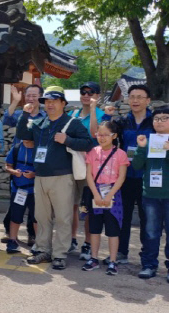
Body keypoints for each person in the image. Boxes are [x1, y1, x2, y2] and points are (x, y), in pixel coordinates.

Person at [18, 86, 94, 270]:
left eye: (54, 101)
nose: (49, 104)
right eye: (46, 102)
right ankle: (43, 249)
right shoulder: (40, 123)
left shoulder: (72, 123)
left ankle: (60, 254)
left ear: (63, 103)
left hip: (62, 176)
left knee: (63, 217)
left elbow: (88, 143)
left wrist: (67, 140)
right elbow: (22, 135)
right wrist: (24, 116)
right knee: (41, 217)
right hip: (41, 176)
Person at [110, 84, 153, 265]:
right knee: (124, 215)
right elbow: (108, 137)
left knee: (147, 218)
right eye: (132, 96)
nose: (135, 100)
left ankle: (147, 255)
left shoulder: (155, 121)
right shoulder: (122, 122)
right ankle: (121, 252)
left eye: (140, 97)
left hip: (148, 177)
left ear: (148, 101)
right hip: (125, 176)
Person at [70, 81, 112, 260]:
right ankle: (71, 239)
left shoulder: (104, 116)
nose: (86, 95)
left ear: (98, 95)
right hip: (73, 165)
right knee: (71, 205)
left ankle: (87, 242)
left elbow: (96, 134)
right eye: (83, 92)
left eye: (91, 92)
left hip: (93, 168)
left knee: (87, 207)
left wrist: (94, 109)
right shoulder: (74, 113)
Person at [82, 121, 129, 275]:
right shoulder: (92, 152)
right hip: (95, 194)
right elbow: (89, 175)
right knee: (94, 229)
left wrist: (109, 195)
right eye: (99, 134)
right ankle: (94, 258)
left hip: (113, 196)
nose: (101, 138)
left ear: (114, 136)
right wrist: (95, 194)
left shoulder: (121, 154)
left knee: (113, 230)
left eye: (105, 135)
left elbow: (121, 177)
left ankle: (113, 261)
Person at [1, 84, 45, 245]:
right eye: (29, 95)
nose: (31, 99)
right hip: (18, 159)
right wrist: (16, 101)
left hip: (35, 163)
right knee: (16, 203)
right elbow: (6, 119)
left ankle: (33, 236)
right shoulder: (20, 113)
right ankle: (12, 235)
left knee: (35, 208)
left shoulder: (44, 116)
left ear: (41, 97)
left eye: (35, 95)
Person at [133, 106, 169, 282]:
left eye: (164, 118)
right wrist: (141, 148)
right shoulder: (148, 140)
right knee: (151, 232)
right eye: (156, 119)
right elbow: (137, 166)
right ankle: (149, 265)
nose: (159, 122)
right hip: (150, 196)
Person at [3, 139, 37, 254]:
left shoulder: (39, 149)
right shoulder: (17, 148)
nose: (25, 141)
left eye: (28, 139)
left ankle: (39, 243)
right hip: (18, 189)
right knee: (15, 216)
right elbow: (7, 166)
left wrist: (33, 174)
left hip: (34, 190)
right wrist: (14, 171)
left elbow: (45, 169)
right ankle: (12, 241)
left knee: (36, 217)